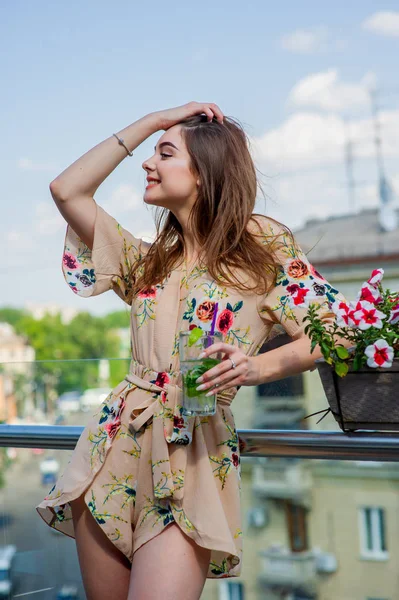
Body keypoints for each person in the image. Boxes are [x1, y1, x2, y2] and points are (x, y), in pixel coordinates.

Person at [36, 102, 342, 600]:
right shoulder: (150, 260)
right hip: (112, 449)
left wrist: (252, 367)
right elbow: (66, 189)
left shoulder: (262, 244)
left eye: (165, 152)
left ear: (204, 172)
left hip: (194, 453)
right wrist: (156, 121)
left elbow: (330, 333)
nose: (147, 162)